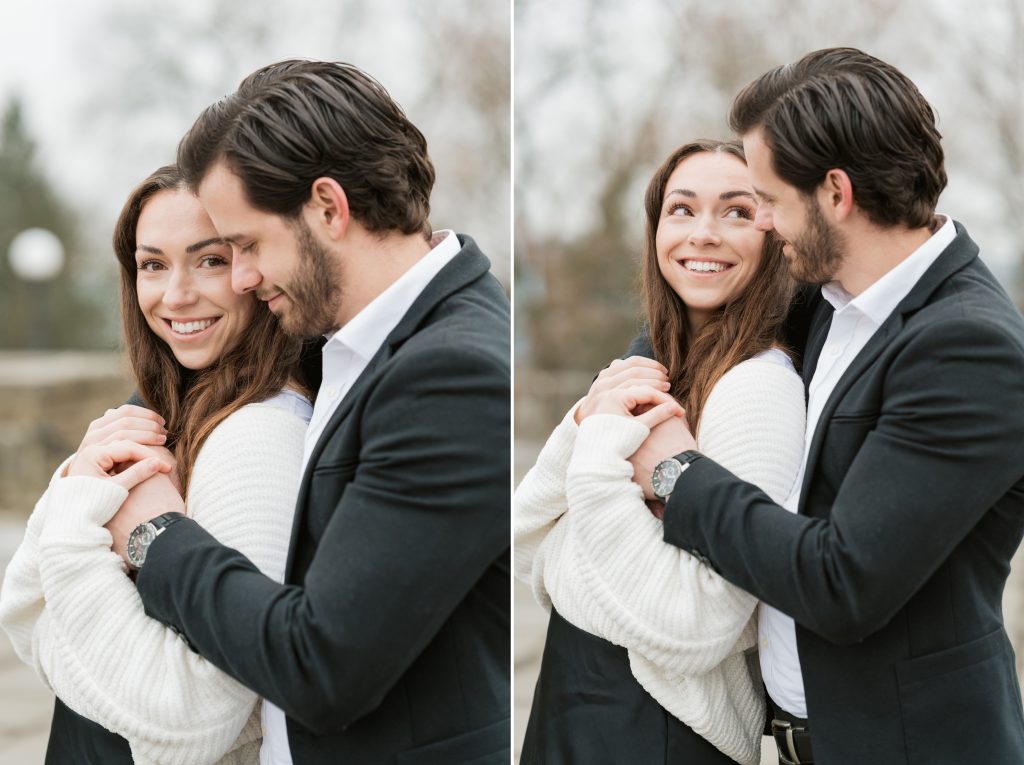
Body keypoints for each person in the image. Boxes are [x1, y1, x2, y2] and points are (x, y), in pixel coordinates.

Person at [96, 60, 510, 765]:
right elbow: (212, 369)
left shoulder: (453, 374)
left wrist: (154, 535)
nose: (246, 279)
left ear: (327, 207)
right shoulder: (347, 337)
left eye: (248, 246)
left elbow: (324, 663)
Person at [626, 48, 1024, 765]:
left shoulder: (969, 349)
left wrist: (676, 473)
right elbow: (713, 315)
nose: (767, 226)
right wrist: (629, 375)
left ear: (835, 194)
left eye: (770, 201)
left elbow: (843, 582)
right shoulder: (824, 300)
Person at [0, 164, 313, 764]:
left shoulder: (255, 435)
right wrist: (75, 485)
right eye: (153, 264)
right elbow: (21, 609)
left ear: (256, 267)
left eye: (211, 260)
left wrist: (97, 542)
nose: (175, 295)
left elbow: (201, 717)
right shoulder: (169, 412)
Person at [514, 139, 806, 765]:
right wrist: (586, 423)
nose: (703, 234)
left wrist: (596, 470)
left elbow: (700, 623)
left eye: (736, 211)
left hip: (660, 731)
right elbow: (525, 539)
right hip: (574, 699)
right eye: (681, 209)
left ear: (775, 234)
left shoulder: (757, 387)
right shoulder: (648, 369)